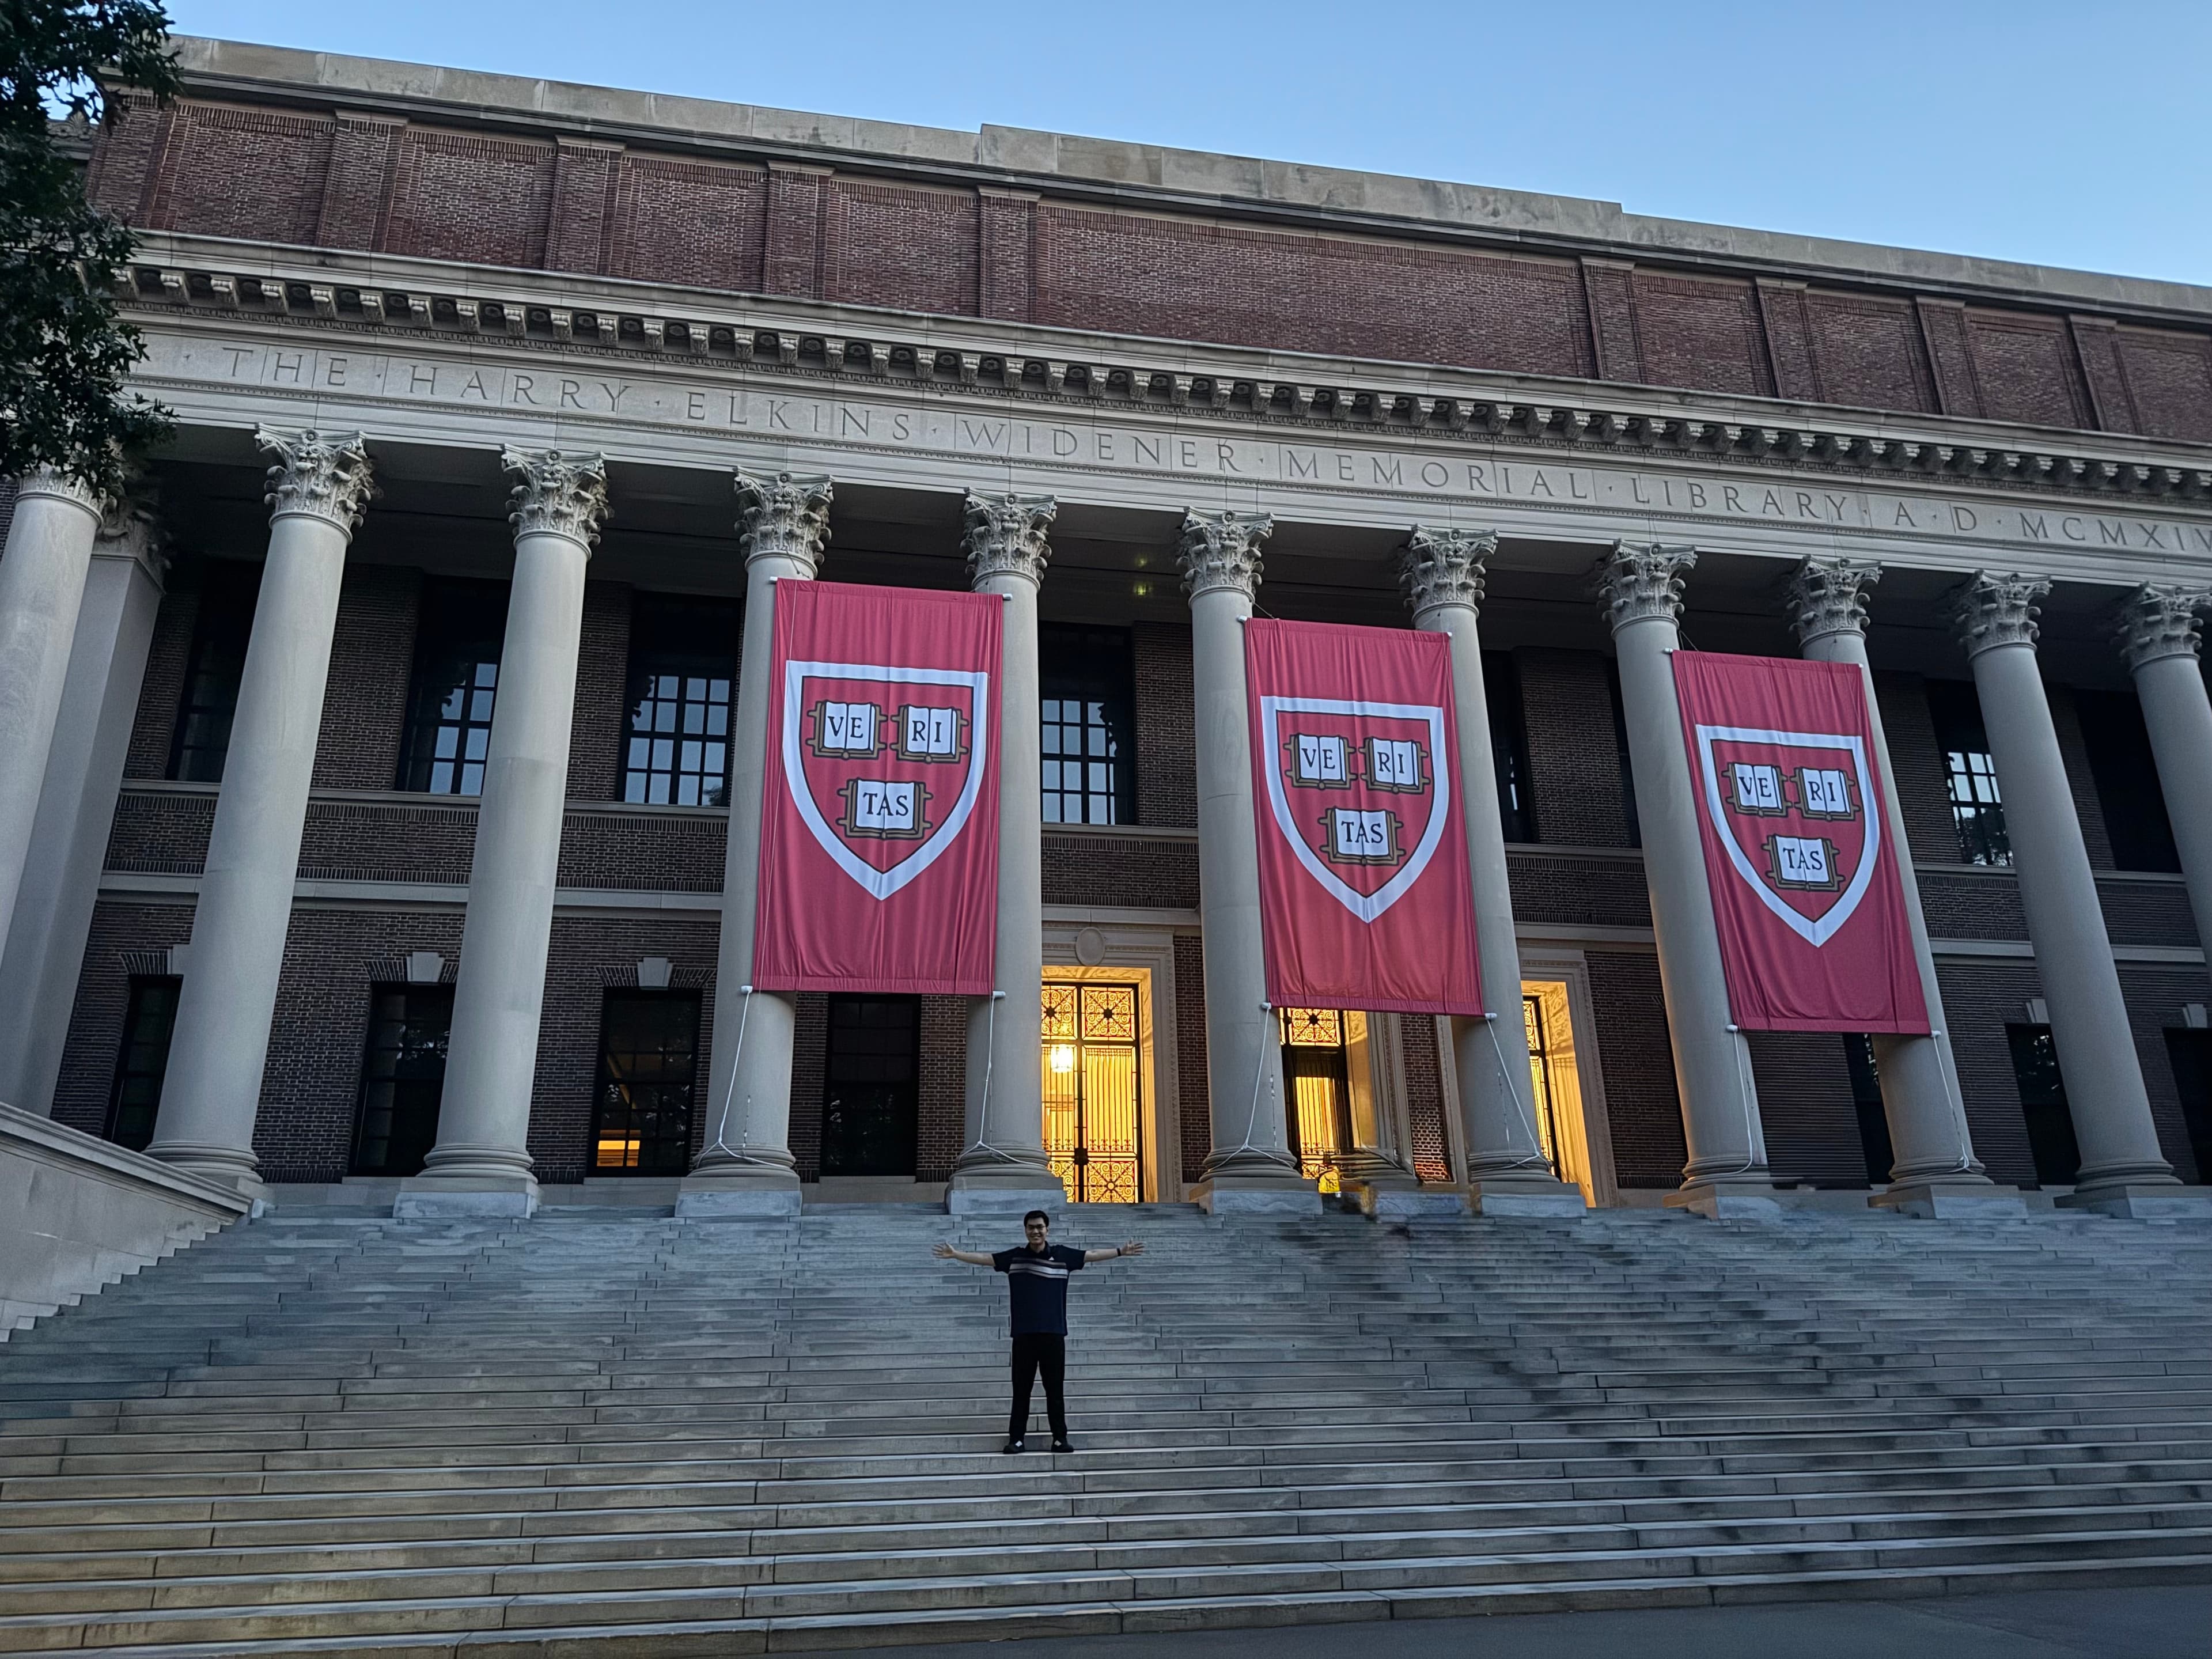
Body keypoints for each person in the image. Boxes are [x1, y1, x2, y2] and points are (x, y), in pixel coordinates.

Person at [933, 1210, 1143, 1453]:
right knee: (1021, 1390)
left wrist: (1120, 1251)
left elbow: (1092, 1255)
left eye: (1040, 1227)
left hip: (1053, 1335)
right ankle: (1016, 1439)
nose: (1036, 1231)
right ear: (1025, 1230)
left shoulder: (1063, 1255)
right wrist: (956, 1254)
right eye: (1031, 1227)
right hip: (1024, 1335)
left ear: (1047, 1229)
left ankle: (1060, 1439)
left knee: (1055, 1390)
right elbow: (985, 1258)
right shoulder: (1015, 1258)